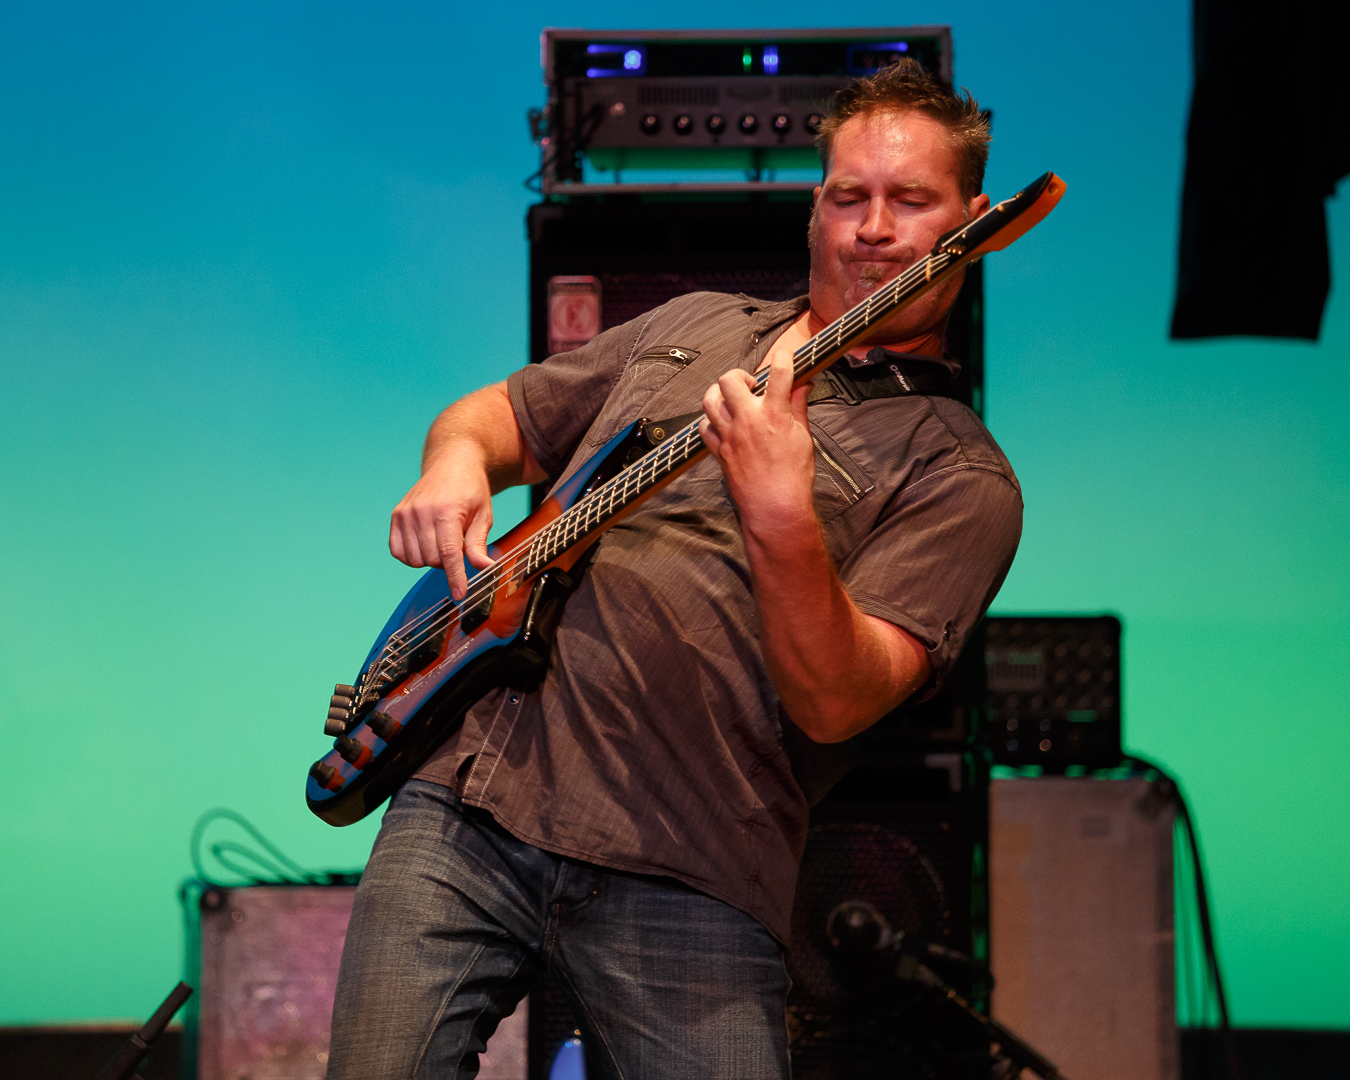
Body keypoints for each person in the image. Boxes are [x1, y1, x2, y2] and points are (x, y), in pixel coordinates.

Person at [327, 59, 1022, 1080]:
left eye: (910, 200)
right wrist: (454, 465)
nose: (873, 229)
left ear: (974, 223)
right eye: (848, 197)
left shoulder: (960, 474)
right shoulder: (694, 324)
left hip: (693, 868)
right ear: (815, 213)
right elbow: (500, 415)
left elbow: (838, 702)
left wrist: (781, 509)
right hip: (470, 799)